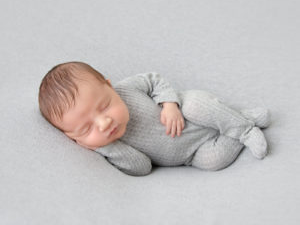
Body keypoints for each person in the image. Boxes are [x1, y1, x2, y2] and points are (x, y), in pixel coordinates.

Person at [38, 61, 271, 176]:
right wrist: (104, 147)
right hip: (191, 153)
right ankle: (242, 119)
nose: (104, 123)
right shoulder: (113, 146)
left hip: (186, 113)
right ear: (73, 139)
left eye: (105, 106)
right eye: (86, 129)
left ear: (110, 88)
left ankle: (244, 130)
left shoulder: (126, 89)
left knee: (197, 106)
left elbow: (153, 79)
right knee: (212, 162)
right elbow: (143, 167)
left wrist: (169, 104)